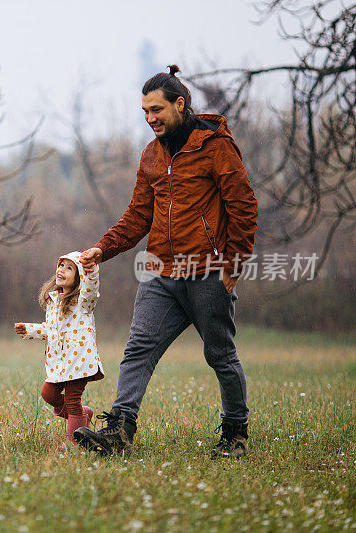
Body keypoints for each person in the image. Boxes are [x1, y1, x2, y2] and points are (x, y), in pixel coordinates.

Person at [74, 65, 258, 459]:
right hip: (160, 272)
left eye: (156, 109)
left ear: (180, 104)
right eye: (144, 111)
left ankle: (235, 435)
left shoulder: (215, 146)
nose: (150, 118)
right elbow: (139, 215)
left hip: (208, 272)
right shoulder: (152, 155)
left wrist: (233, 266)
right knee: (138, 348)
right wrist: (102, 249)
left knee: (220, 356)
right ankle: (120, 431)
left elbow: (243, 207)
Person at [14, 252, 104, 450]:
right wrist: (29, 330)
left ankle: (73, 443)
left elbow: (91, 290)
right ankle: (82, 416)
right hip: (60, 363)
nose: (62, 269)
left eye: (69, 268)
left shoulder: (83, 302)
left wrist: (92, 272)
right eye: (61, 265)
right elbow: (50, 329)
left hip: (79, 361)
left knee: (72, 400)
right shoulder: (53, 300)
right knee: (48, 393)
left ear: (79, 276)